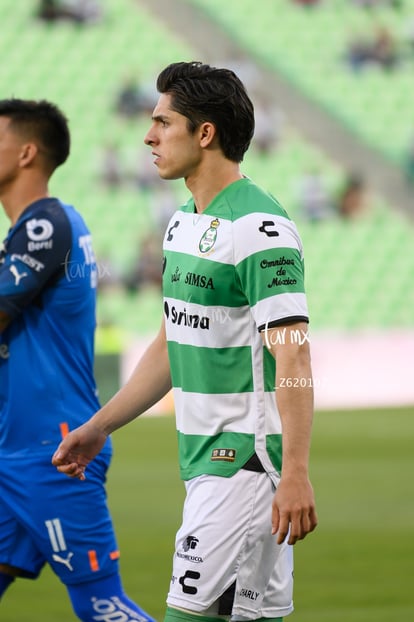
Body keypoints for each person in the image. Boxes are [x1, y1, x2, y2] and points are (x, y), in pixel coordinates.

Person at [53, 62, 318, 622]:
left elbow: (292, 353)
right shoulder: (182, 224)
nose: (148, 136)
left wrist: (293, 468)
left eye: (162, 122)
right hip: (205, 465)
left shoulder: (259, 228)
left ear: (205, 133)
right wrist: (99, 426)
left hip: (244, 464)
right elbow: (172, 344)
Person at [0, 98, 155, 622]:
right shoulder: (52, 223)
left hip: (54, 449)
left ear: (25, 153)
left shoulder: (44, 226)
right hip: (18, 448)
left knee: (100, 606)